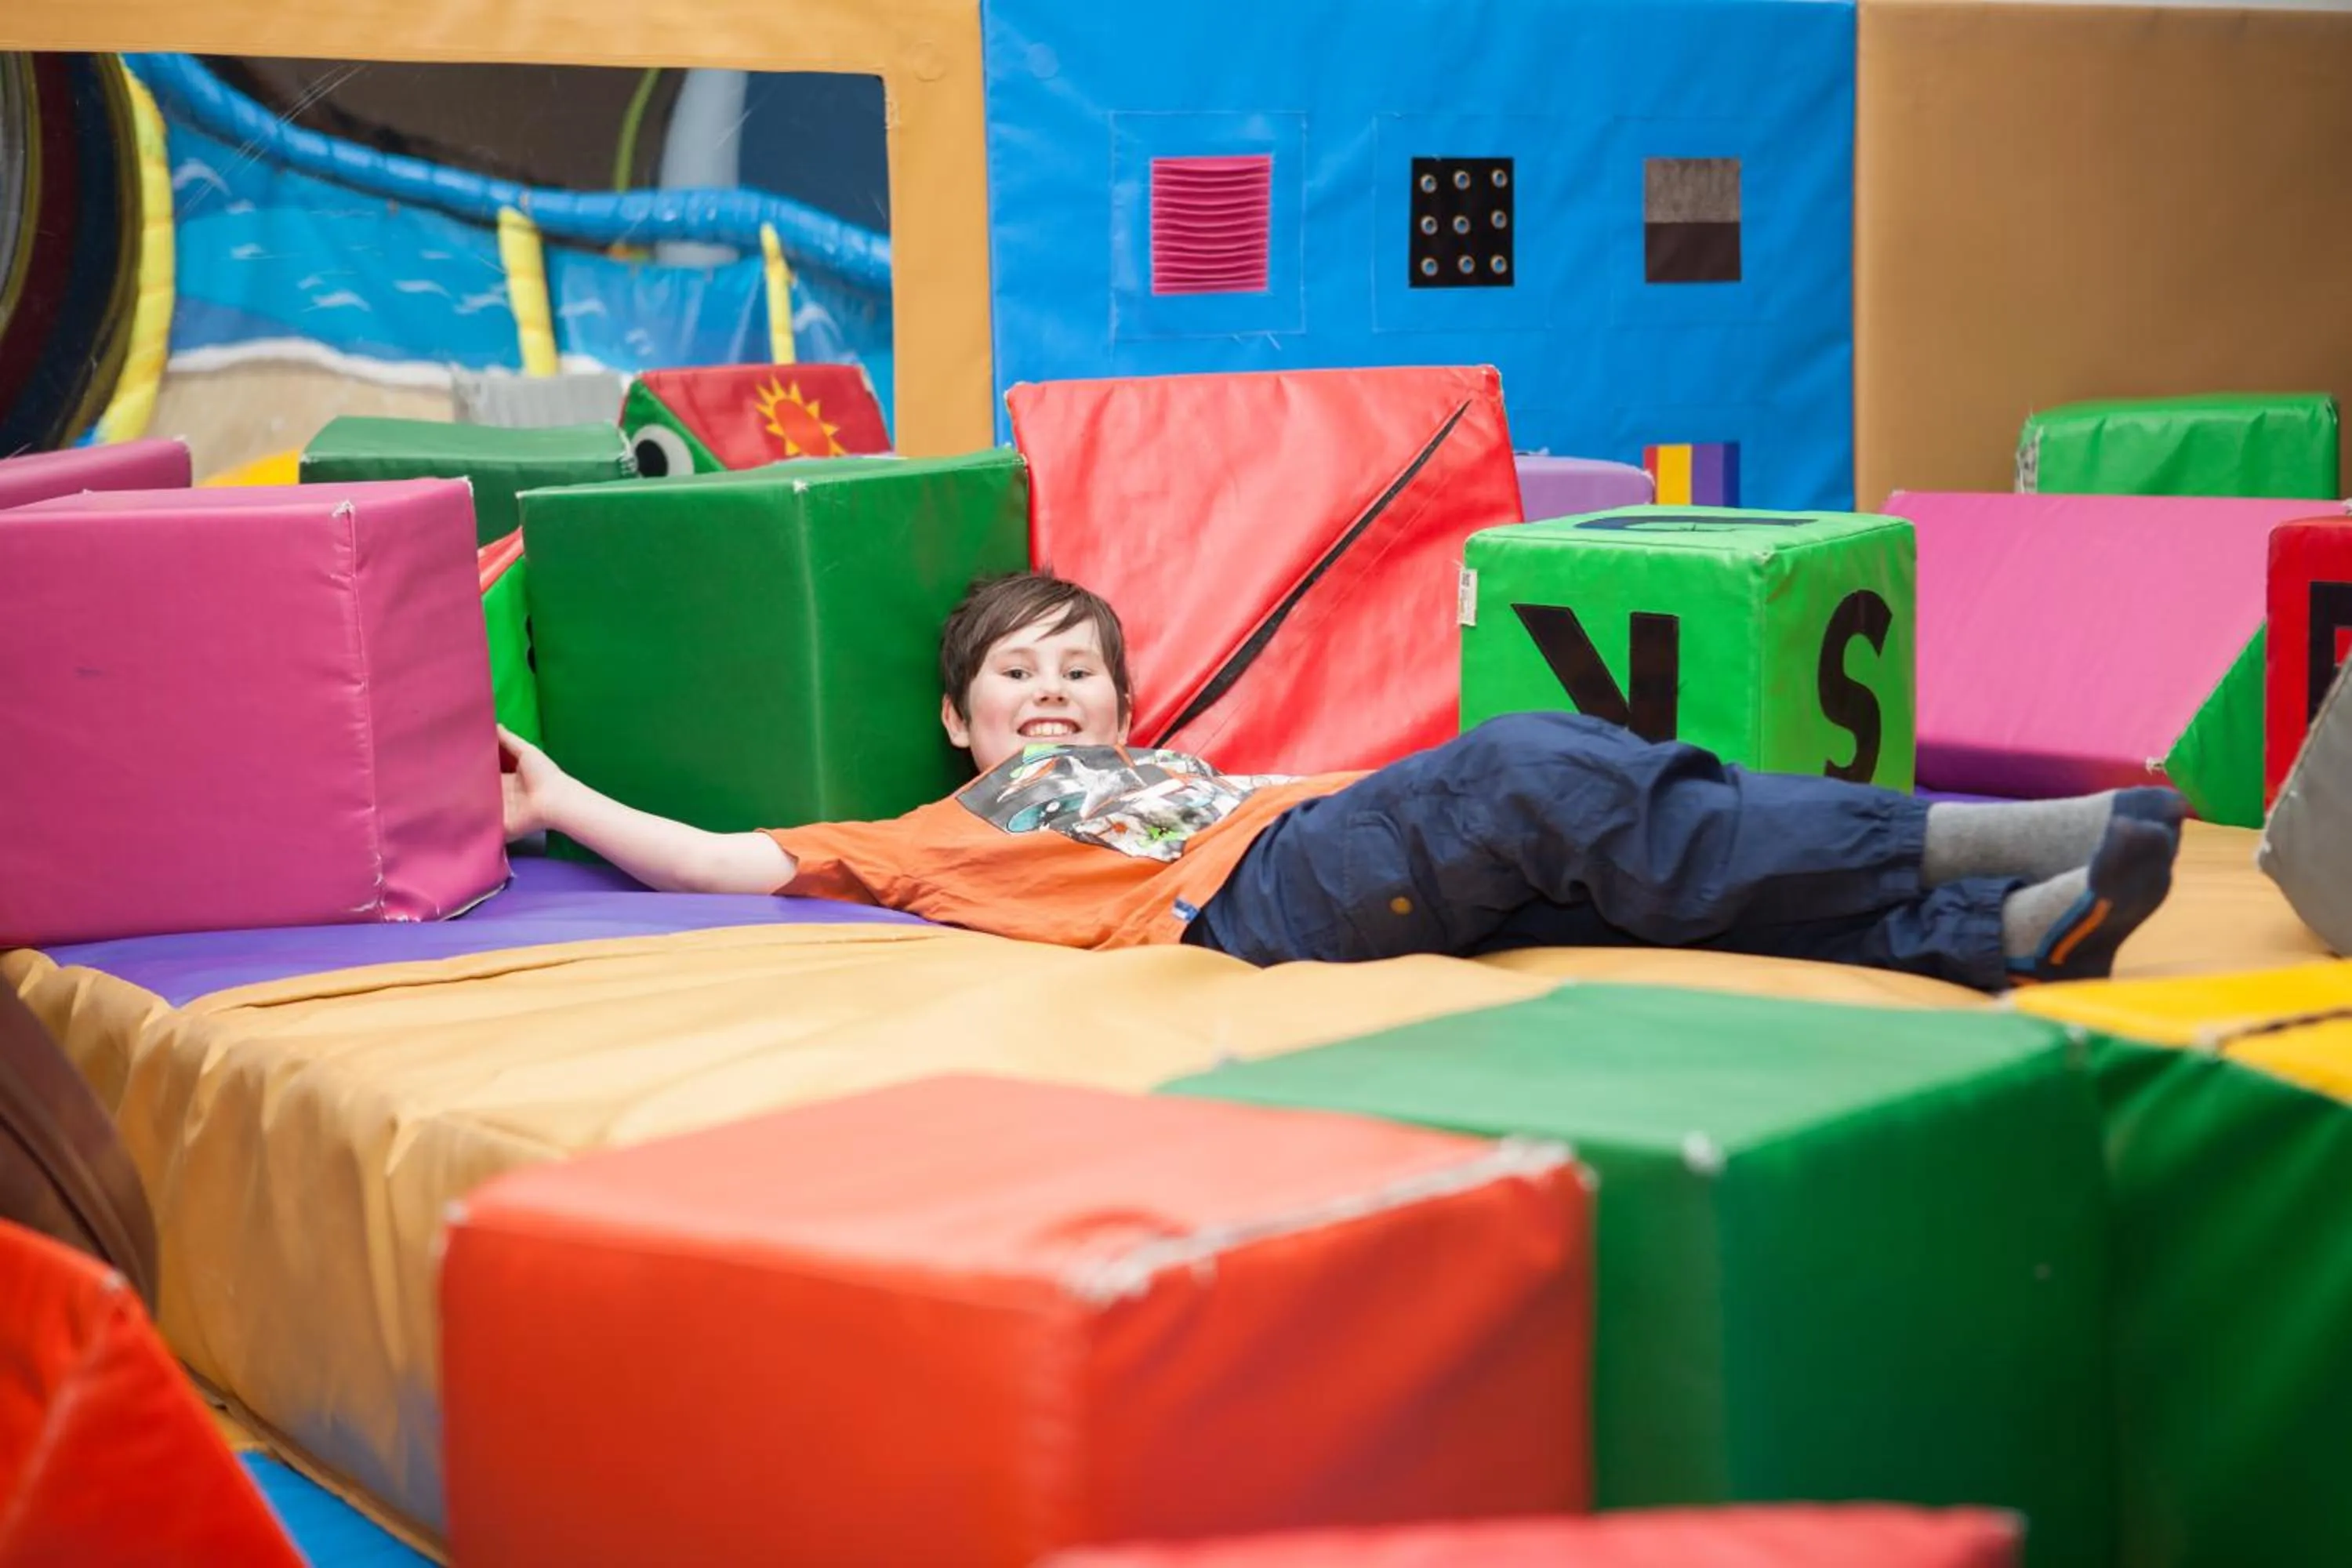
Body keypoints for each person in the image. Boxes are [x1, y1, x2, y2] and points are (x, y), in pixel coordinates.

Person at [497, 572, 2183, 991]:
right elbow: (721, 859)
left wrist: (1356, 785)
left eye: (1079, 668)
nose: (1051, 691)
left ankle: (2001, 933)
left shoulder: (1179, 765)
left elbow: (1331, 785)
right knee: (1533, 762)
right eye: (1015, 673)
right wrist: (560, 796)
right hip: (1258, 902)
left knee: (1623, 873)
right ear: (961, 721)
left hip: (1317, 837)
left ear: (1130, 708)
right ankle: (1966, 834)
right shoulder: (940, 830)